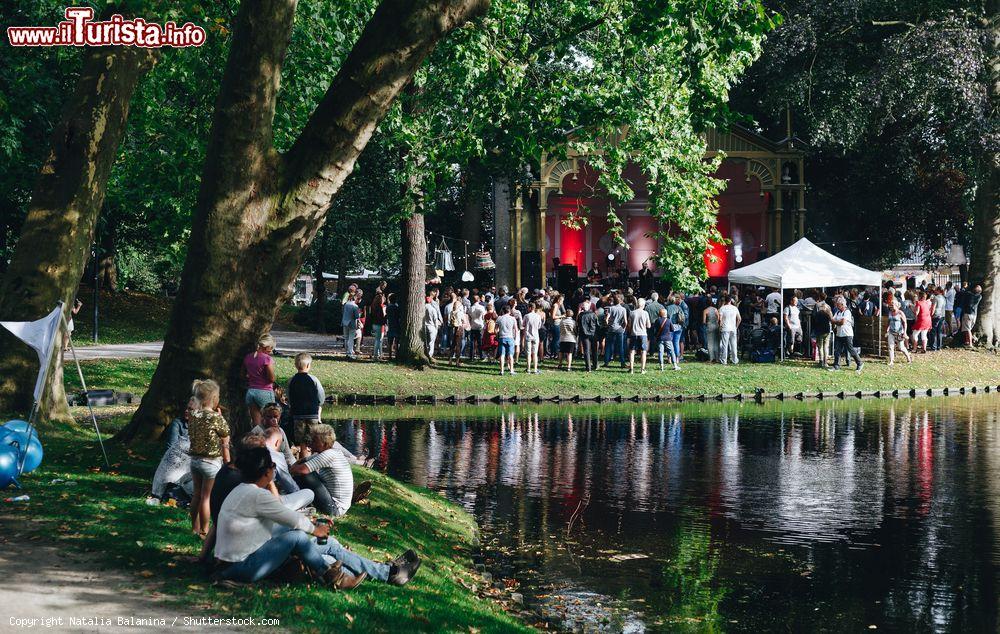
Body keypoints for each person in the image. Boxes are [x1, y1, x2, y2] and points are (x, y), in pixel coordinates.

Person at [214, 447, 420, 588]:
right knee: (299, 538)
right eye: (273, 468)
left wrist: (312, 526)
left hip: (241, 560)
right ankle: (335, 578)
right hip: (241, 568)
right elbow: (291, 519)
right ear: (267, 471)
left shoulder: (242, 490)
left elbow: (279, 520)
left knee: (328, 544)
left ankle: (386, 572)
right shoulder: (257, 495)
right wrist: (315, 529)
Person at [187, 379, 231, 539]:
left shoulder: (193, 415)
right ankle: (204, 531)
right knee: (207, 497)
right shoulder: (215, 417)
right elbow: (225, 432)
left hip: (194, 461)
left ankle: (194, 527)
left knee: (196, 495)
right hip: (210, 462)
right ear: (213, 399)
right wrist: (220, 417)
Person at [291, 424, 355, 517]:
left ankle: (294, 500)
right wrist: (296, 466)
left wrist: (294, 468)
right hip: (337, 505)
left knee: (305, 474)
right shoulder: (331, 452)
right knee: (305, 472)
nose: (311, 443)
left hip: (335, 508)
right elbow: (303, 461)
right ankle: (297, 499)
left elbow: (299, 470)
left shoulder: (328, 455)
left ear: (324, 443)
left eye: (314, 441)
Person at [152, 401, 193, 500]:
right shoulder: (178, 424)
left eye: (191, 409)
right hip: (176, 465)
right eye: (187, 408)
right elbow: (172, 448)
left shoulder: (203, 427)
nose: (186, 411)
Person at [287, 352, 325, 456]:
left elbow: (289, 397)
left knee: (301, 442)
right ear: (308, 366)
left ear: (295, 365)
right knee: (312, 439)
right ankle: (311, 461)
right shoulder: (314, 379)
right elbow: (321, 396)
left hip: (298, 414)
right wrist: (319, 406)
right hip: (312, 414)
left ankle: (302, 459)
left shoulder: (291, 380)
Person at [242, 334, 276, 427]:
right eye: (271, 348)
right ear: (266, 347)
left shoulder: (248, 357)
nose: (271, 350)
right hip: (264, 392)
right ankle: (271, 440)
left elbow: (244, 374)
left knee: (256, 424)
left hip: (251, 392)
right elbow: (271, 378)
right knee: (271, 421)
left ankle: (257, 440)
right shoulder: (267, 359)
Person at [831, 297, 863, 373]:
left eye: (838, 305)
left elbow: (842, 322)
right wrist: (837, 321)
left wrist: (836, 322)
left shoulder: (847, 312)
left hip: (847, 334)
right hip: (839, 334)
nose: (837, 306)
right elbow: (832, 320)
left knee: (850, 349)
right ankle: (836, 366)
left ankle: (859, 363)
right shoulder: (838, 312)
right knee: (837, 350)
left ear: (842, 305)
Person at [603, 295, 628, 368]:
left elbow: (606, 319)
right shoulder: (623, 309)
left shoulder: (611, 308)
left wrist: (608, 325)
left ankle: (606, 362)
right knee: (621, 346)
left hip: (611, 328)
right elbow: (625, 322)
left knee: (608, 346)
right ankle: (622, 363)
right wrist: (623, 328)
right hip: (619, 329)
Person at [628, 298, 651, 374]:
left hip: (634, 333)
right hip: (643, 334)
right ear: (643, 305)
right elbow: (648, 326)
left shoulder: (632, 313)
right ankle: (642, 369)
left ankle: (631, 369)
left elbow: (629, 325)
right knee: (643, 352)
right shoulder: (645, 313)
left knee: (632, 351)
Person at [496, 304, 519, 375]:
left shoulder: (499, 318)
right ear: (509, 311)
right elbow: (516, 329)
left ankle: (501, 371)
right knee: (510, 355)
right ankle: (511, 370)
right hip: (510, 337)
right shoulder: (513, 318)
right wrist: (515, 337)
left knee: (502, 355)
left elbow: (495, 330)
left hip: (502, 337)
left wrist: (497, 335)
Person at [522, 301, 544, 374]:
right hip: (535, 335)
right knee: (535, 353)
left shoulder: (526, 316)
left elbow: (523, 325)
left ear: (530, 308)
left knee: (528, 353)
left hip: (528, 335)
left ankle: (528, 369)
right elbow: (539, 326)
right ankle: (535, 369)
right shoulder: (538, 316)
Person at [718, 296, 741, 365]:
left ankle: (724, 360)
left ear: (725, 301)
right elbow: (739, 319)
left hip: (725, 328)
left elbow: (720, 319)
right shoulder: (735, 308)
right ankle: (735, 359)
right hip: (733, 328)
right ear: (730, 300)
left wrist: (720, 326)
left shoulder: (722, 308)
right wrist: (736, 327)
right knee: (734, 344)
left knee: (725, 345)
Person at [577, 300, 598, 372]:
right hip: (593, 333)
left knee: (586, 351)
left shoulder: (580, 315)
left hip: (584, 334)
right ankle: (595, 365)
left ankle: (588, 367)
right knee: (594, 350)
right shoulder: (593, 314)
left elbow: (578, 324)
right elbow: (597, 324)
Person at [447, 293, 468, 366]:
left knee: (452, 345)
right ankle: (457, 361)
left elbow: (449, 321)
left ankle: (449, 360)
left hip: (452, 328)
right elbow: (464, 322)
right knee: (458, 345)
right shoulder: (460, 313)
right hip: (459, 329)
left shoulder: (451, 312)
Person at [813, 297, 833, 368]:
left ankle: (821, 361)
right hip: (827, 331)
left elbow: (815, 321)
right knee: (826, 347)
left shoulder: (818, 313)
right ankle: (825, 362)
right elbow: (832, 320)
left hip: (819, 331)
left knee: (820, 346)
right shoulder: (829, 313)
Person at [665, 295, 686, 364]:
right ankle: (677, 359)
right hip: (678, 327)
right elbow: (683, 318)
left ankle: (669, 358)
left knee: (669, 343)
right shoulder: (679, 308)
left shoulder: (667, 308)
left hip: (669, 327)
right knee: (676, 343)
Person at [422, 292, 443, 358]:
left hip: (424, 326)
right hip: (432, 326)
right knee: (431, 342)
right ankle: (430, 355)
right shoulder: (433, 309)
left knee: (425, 342)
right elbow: (435, 320)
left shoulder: (422, 308)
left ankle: (425, 353)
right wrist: (436, 328)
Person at [368, 292, 387, 361]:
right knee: (378, 340)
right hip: (379, 324)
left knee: (377, 340)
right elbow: (383, 316)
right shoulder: (381, 307)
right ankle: (376, 355)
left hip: (374, 324)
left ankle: (379, 354)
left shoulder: (373, 306)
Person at [341, 294, 361, 359]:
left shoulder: (346, 304)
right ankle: (350, 353)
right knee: (351, 339)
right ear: (354, 298)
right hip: (351, 323)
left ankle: (347, 352)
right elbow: (357, 316)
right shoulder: (355, 306)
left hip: (344, 322)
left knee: (346, 338)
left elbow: (343, 312)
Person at [467, 292, 486, 361]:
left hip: (473, 325)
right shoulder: (481, 307)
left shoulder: (471, 308)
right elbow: (484, 316)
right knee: (480, 342)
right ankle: (481, 355)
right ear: (478, 300)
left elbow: (469, 317)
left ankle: (471, 356)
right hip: (480, 325)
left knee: (472, 342)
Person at [702, 298, 720, 362]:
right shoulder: (715, 309)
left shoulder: (705, 310)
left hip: (709, 326)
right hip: (716, 326)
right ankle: (717, 358)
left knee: (710, 342)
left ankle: (711, 358)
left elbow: (704, 321)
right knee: (716, 342)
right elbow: (718, 318)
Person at [385, 293, 401, 359]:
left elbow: (386, 315)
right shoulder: (396, 307)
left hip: (390, 324)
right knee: (396, 341)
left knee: (390, 341)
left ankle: (390, 355)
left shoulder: (388, 307)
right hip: (396, 324)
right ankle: (396, 355)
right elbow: (399, 315)